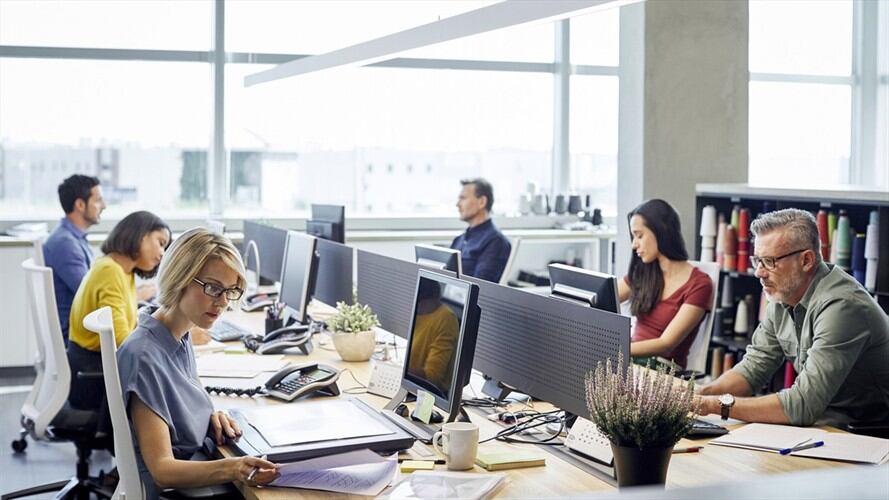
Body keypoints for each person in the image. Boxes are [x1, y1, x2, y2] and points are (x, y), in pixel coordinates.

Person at [118, 228, 279, 498]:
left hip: (195, 469)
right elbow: (162, 469)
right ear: (179, 278)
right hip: (175, 491)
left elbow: (178, 403)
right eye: (213, 288)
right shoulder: (144, 356)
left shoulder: (178, 334)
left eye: (230, 291)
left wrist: (208, 415)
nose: (223, 302)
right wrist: (235, 468)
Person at [698, 209, 889, 427]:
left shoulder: (843, 306)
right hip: (826, 424)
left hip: (870, 434)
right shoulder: (782, 296)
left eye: (769, 261)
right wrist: (699, 395)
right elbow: (753, 369)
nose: (759, 272)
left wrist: (714, 405)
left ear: (806, 260)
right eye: (757, 261)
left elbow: (802, 405)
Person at [67, 211, 170, 412]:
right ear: (140, 235)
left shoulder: (121, 270)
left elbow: (128, 326)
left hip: (99, 369)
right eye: (160, 242)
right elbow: (123, 341)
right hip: (93, 379)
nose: (162, 253)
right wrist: (170, 338)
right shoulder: (110, 271)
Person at [617, 199, 713, 369]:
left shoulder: (700, 284)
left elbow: (666, 344)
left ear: (661, 231)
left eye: (639, 235)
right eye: (633, 237)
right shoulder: (644, 273)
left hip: (663, 370)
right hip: (630, 362)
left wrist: (616, 350)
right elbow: (603, 296)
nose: (634, 244)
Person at [43, 174, 106, 344]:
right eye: (98, 200)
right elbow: (91, 296)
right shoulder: (66, 244)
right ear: (80, 205)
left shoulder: (72, 238)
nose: (104, 206)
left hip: (79, 330)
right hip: (76, 339)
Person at [451, 178, 512, 282]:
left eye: (463, 198)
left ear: (482, 202)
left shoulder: (496, 242)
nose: (458, 204)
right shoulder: (459, 240)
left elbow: (480, 286)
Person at [407, 279, 459, 393]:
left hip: (426, 392)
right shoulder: (417, 313)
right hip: (408, 385)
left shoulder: (446, 318)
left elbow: (432, 376)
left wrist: (401, 371)